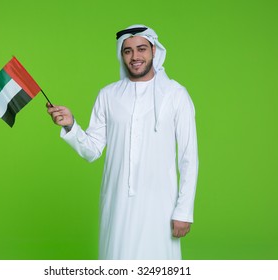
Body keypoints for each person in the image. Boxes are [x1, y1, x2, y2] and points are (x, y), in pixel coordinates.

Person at [47, 24, 198, 260]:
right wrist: (70, 125)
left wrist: (184, 210)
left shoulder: (176, 95)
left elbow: (189, 157)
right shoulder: (108, 95)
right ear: (121, 54)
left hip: (160, 207)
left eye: (141, 49)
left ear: (154, 51)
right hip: (116, 207)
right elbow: (92, 150)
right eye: (128, 51)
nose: (135, 57)